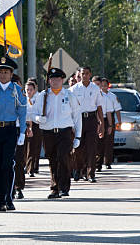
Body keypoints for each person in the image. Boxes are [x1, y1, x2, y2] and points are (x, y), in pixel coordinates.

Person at [0, 56, 27, 211]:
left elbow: (22, 111)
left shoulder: (16, 90)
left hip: (9, 130)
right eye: (0, 72)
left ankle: (8, 198)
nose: (3, 75)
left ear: (11, 74)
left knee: (7, 165)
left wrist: (22, 132)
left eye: (6, 72)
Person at [37, 67, 82, 198]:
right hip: (48, 132)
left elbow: (77, 116)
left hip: (65, 132)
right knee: (52, 160)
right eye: (52, 79)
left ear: (63, 80)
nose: (55, 81)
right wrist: (38, 118)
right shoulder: (43, 96)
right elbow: (32, 113)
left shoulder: (69, 95)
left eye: (58, 79)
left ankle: (64, 187)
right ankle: (55, 188)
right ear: (49, 81)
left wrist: (78, 136)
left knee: (63, 158)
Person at [70, 66, 104, 183]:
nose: (84, 76)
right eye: (82, 74)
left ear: (90, 75)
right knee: (78, 148)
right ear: (79, 75)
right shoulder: (74, 89)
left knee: (91, 148)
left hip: (91, 119)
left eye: (87, 74)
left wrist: (102, 124)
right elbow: (69, 108)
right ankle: (78, 169)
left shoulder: (95, 89)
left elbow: (99, 107)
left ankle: (91, 174)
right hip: (78, 120)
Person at [101, 78, 122, 169]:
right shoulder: (97, 95)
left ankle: (108, 161)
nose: (103, 87)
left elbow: (117, 110)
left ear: (108, 86)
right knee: (99, 141)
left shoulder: (113, 96)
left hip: (110, 119)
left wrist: (119, 122)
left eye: (105, 85)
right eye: (101, 85)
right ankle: (99, 161)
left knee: (109, 141)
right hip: (100, 118)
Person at [25, 78, 42, 178]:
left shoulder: (38, 99)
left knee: (34, 146)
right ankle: (28, 167)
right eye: (27, 89)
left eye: (30, 89)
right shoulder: (24, 99)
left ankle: (32, 168)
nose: (28, 92)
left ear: (34, 89)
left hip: (35, 125)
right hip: (26, 124)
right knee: (26, 147)